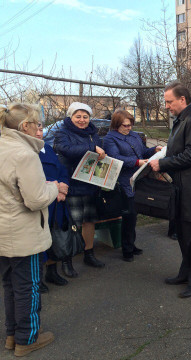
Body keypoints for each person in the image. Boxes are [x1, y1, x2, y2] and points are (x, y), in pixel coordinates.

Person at [0, 103, 59, 356]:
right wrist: (55, 188)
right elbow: (35, 200)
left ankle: (12, 335)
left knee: (11, 286)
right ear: (26, 126)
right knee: (28, 287)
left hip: (4, 231)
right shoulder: (24, 154)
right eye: (37, 124)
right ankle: (27, 339)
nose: (39, 129)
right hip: (23, 233)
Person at [150, 82, 191, 298]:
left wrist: (163, 164)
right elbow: (181, 151)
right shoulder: (183, 120)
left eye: (169, 101)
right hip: (182, 187)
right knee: (184, 235)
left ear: (182, 100)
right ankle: (186, 273)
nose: (166, 106)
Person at [54, 102, 106, 275]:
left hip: (89, 183)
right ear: (71, 116)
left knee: (89, 221)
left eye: (85, 117)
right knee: (72, 223)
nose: (82, 120)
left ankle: (88, 253)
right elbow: (66, 150)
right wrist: (92, 148)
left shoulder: (92, 134)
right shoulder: (63, 133)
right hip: (72, 183)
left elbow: (98, 151)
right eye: (78, 116)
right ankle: (66, 260)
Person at [103, 110, 162, 262]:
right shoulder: (110, 138)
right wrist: (136, 162)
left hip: (137, 179)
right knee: (128, 215)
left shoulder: (134, 135)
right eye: (125, 125)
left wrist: (153, 150)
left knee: (133, 215)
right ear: (117, 125)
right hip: (124, 181)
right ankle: (127, 249)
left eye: (130, 125)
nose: (129, 128)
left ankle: (131, 244)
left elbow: (142, 152)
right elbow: (115, 158)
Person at [35, 123, 70, 290]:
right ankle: (37, 276)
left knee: (54, 236)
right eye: (34, 129)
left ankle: (52, 270)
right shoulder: (27, 152)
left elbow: (61, 169)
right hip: (42, 202)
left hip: (57, 201)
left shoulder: (46, 148)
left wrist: (63, 186)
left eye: (41, 129)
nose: (38, 133)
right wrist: (56, 188)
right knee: (40, 240)